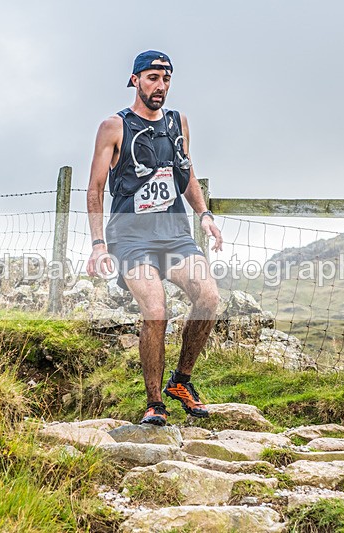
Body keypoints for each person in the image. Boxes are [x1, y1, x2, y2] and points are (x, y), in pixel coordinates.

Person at [86, 50, 223, 426]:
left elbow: (187, 173)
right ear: (135, 80)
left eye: (165, 79)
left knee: (209, 297)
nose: (159, 86)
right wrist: (99, 244)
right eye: (151, 78)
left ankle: (181, 382)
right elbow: (96, 189)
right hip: (131, 239)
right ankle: (154, 403)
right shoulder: (114, 126)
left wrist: (205, 214)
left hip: (175, 235)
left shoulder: (179, 123)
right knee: (156, 310)